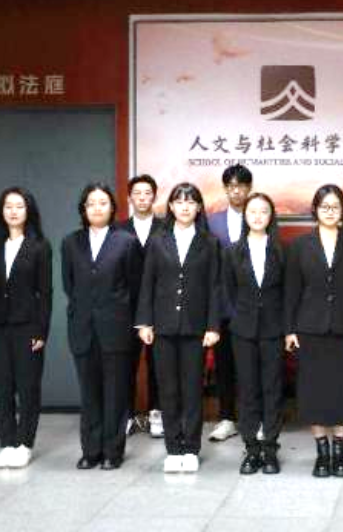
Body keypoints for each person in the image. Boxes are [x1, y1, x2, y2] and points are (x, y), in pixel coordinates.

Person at [135, 182, 221, 473]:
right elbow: (147, 283)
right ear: (170, 206)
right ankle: (173, 449)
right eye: (179, 201)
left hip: (196, 328)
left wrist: (213, 326)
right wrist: (144, 322)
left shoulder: (209, 242)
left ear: (199, 207)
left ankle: (191, 448)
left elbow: (215, 287)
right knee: (168, 390)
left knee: (192, 389)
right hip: (163, 327)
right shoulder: (158, 240)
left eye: (191, 201)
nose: (185, 207)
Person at [284, 184, 343, 478]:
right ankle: (322, 452)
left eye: (335, 207)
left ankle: (339, 452)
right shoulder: (300, 246)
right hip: (310, 328)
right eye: (325, 207)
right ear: (315, 210)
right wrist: (289, 329)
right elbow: (291, 291)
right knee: (314, 391)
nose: (330, 212)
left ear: (342, 210)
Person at [61, 182, 143, 470]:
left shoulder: (126, 242)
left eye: (103, 203)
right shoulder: (71, 242)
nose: (97, 208)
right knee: (89, 393)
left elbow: (135, 287)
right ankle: (90, 451)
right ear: (83, 209)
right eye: (91, 203)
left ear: (112, 208)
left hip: (117, 329)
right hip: (83, 328)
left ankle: (112, 451)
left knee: (115, 393)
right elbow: (69, 285)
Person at [0, 187, 52, 469]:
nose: (13, 211)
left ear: (28, 211)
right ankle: (6, 443)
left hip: (27, 326)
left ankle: (24, 444)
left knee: (28, 388)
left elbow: (45, 292)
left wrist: (41, 330)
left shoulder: (40, 245)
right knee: (2, 387)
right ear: (2, 211)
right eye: (8, 206)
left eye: (19, 206)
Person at [222, 193, 287, 475]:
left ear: (271, 216)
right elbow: (228, 291)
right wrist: (240, 315)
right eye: (252, 211)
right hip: (243, 329)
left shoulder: (281, 250)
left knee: (272, 388)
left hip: (274, 328)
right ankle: (251, 448)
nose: (258, 216)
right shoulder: (232, 251)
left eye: (264, 211)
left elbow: (287, 292)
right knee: (248, 389)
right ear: (245, 216)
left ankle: (270, 448)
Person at [117, 173, 166, 438]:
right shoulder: (118, 229)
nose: (143, 197)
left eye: (147, 193)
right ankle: (126, 414)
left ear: (154, 197)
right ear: (130, 198)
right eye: (137, 193)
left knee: (158, 363)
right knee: (126, 362)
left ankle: (157, 413)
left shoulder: (166, 227)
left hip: (159, 306)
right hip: (126, 307)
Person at [206, 164, 252, 442]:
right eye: (231, 186)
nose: (236, 191)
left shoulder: (258, 215)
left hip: (251, 304)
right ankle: (227, 418)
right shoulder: (213, 222)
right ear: (225, 189)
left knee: (250, 364)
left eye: (241, 186)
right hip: (222, 303)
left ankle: (252, 418)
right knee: (224, 364)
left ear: (249, 188)